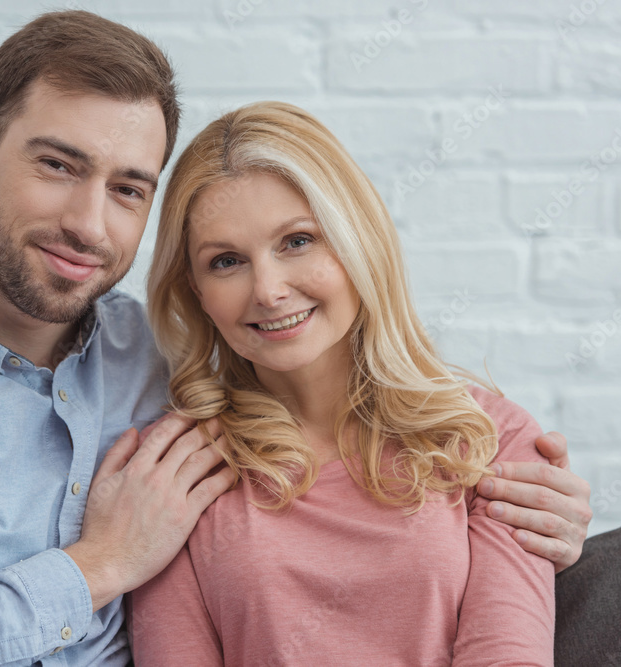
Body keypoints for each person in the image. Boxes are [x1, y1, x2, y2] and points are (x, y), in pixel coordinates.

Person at [0, 10, 588, 666]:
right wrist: (98, 564)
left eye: (129, 188)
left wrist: (550, 517)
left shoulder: (161, 364)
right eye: (57, 164)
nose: (86, 222)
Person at [131, 101, 562, 665]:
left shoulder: (492, 440)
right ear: (195, 291)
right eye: (227, 261)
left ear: (356, 238)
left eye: (297, 241)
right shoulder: (176, 469)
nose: (268, 290)